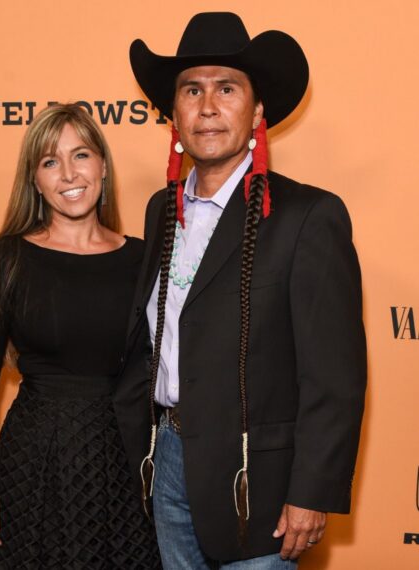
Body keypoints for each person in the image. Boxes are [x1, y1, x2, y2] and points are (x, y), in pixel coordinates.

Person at [115, 12, 367, 569]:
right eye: (192, 90)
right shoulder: (162, 209)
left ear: (256, 111)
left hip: (259, 480)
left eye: (226, 88)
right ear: (173, 113)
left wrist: (312, 491)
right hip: (168, 463)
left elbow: (334, 374)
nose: (207, 106)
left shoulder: (307, 216)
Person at [0, 103, 161, 569]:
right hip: (34, 459)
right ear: (35, 179)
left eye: (81, 155)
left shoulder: (143, 259)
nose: (69, 173)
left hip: (124, 460)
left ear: (104, 166)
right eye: (50, 162)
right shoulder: (6, 259)